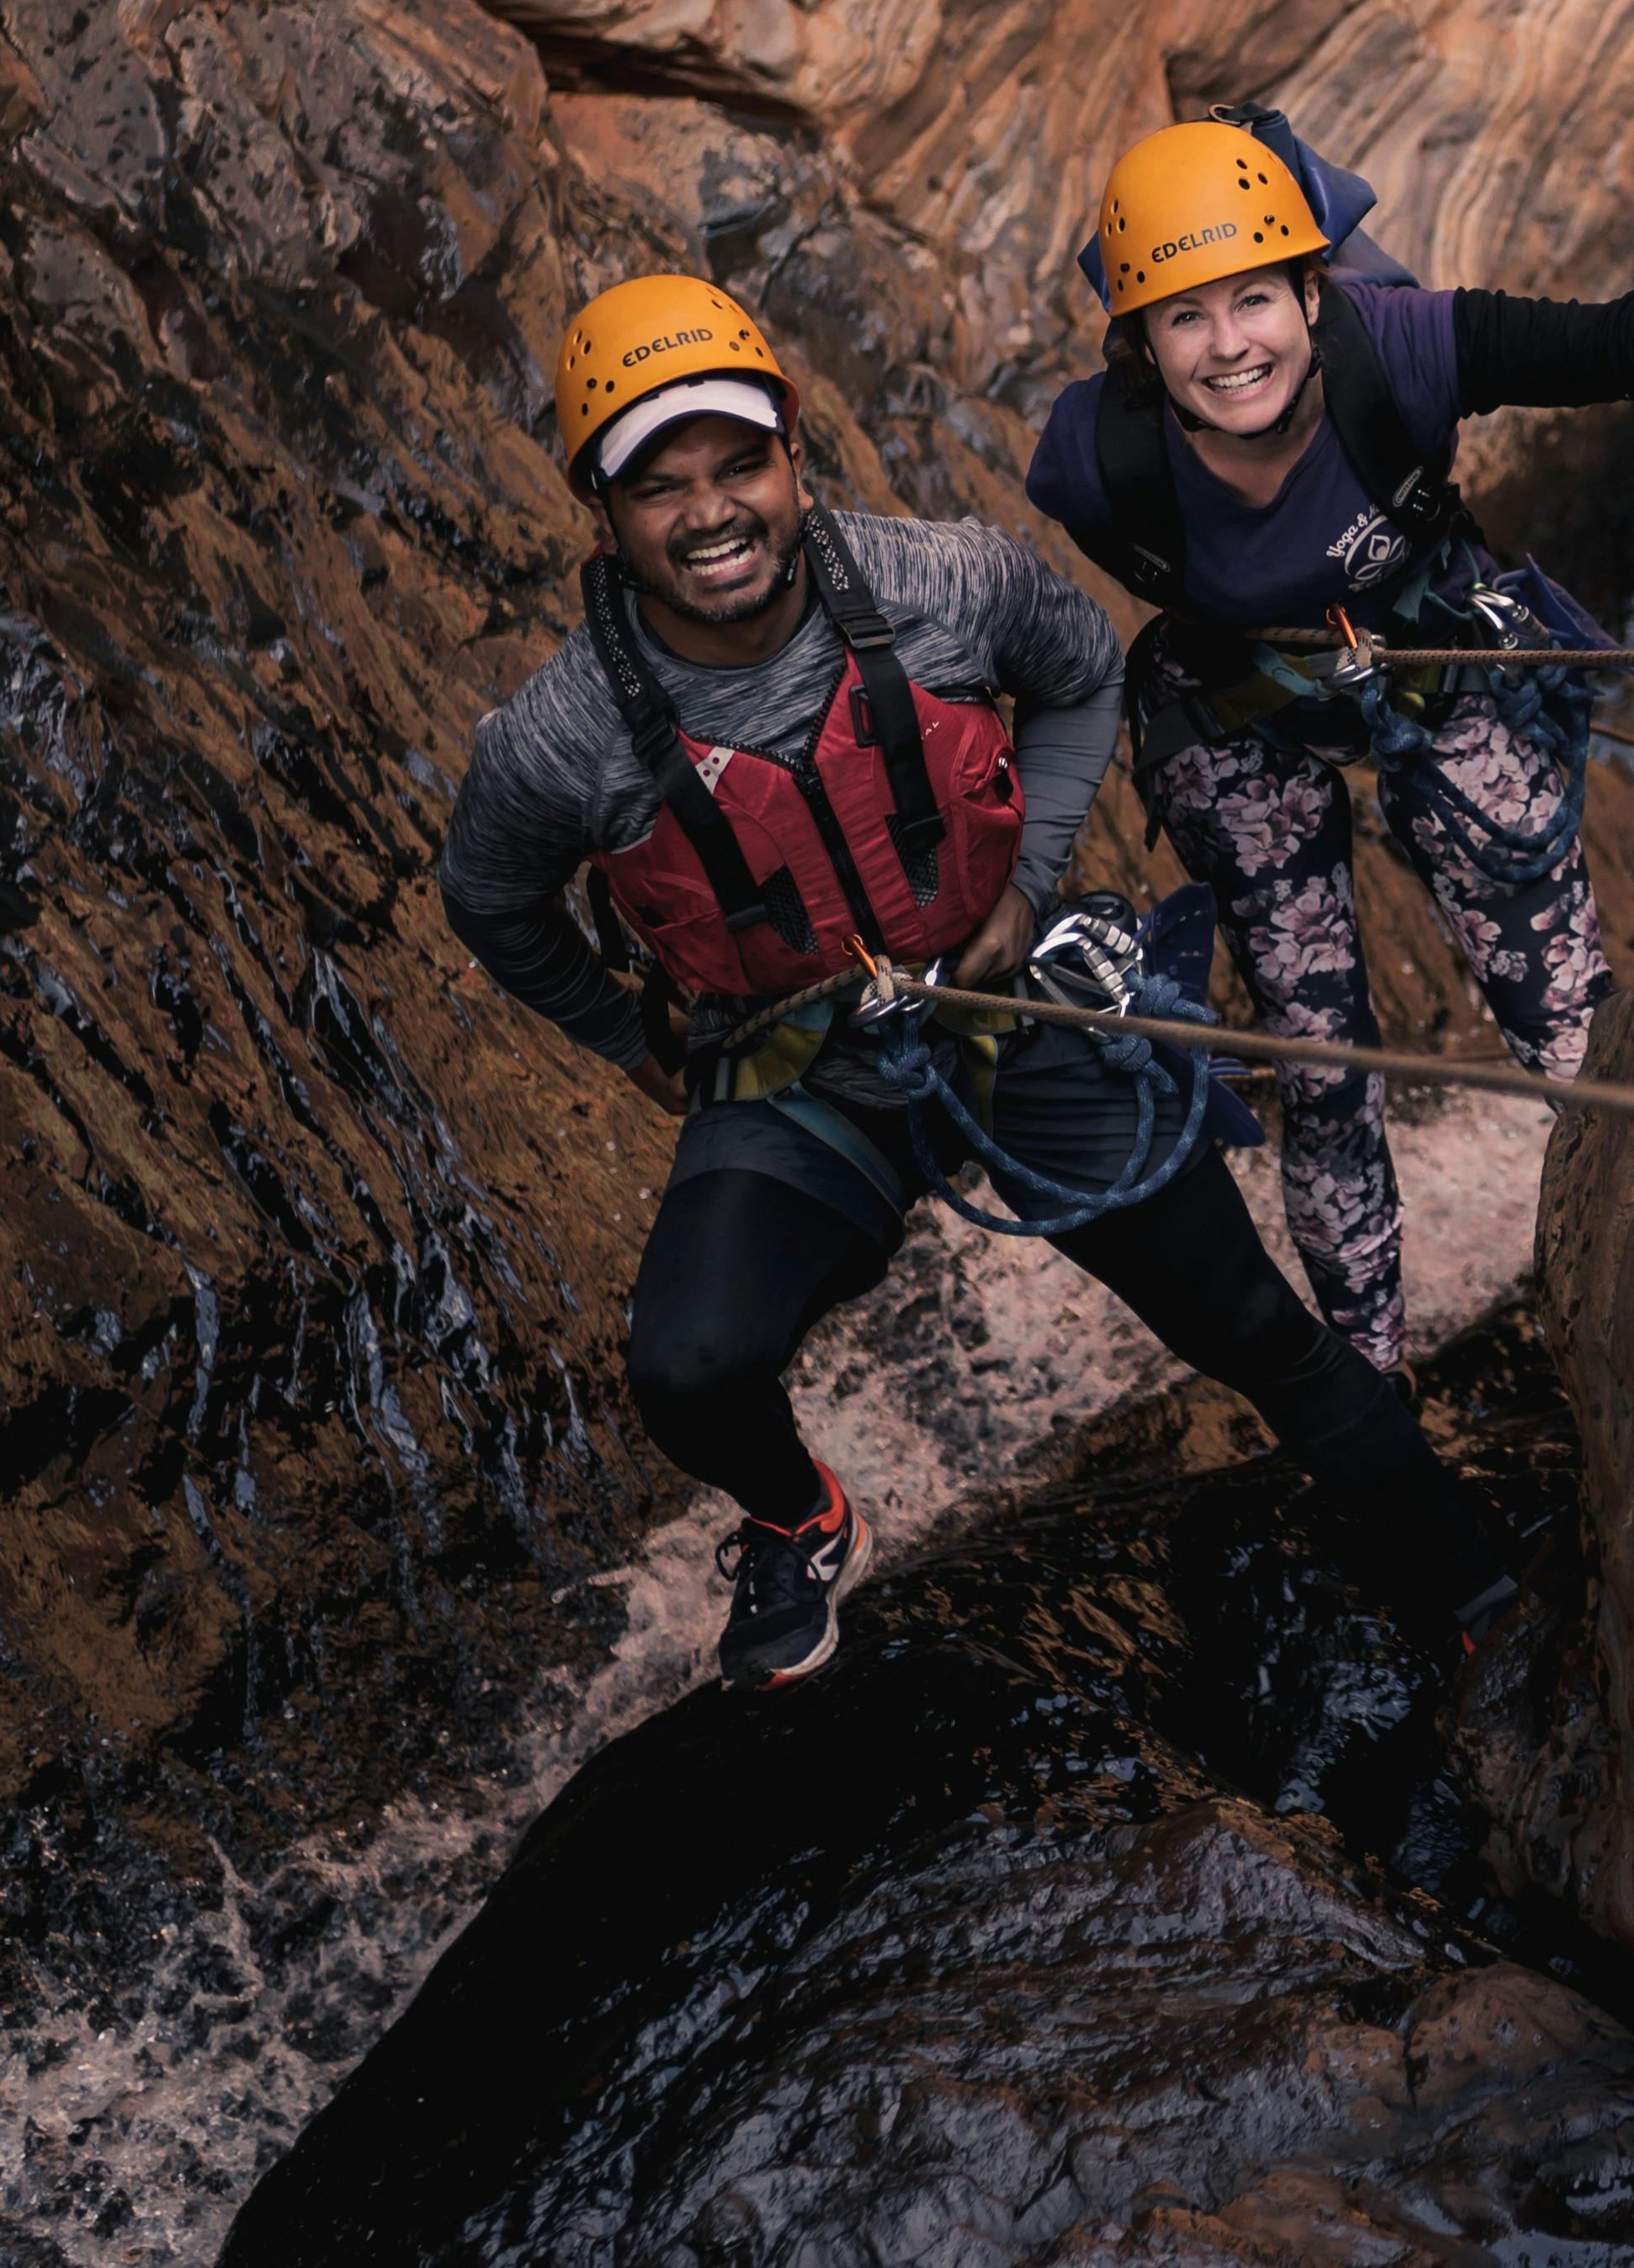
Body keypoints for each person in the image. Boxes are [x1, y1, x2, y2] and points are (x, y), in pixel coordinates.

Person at [438, 274, 1516, 1688]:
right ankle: (803, 1518)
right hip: (800, 1069)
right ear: (604, 512)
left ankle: (1468, 1578)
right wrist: (625, 1039)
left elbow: (1079, 677)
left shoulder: (940, 578)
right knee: (687, 1368)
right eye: (660, 487)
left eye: (739, 463)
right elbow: (491, 898)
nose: (710, 513)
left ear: (793, 456)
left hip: (1012, 1011)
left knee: (1253, 1326)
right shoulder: (556, 739)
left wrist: (1024, 884)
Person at [1025, 115, 1634, 1378]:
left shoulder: (1401, 350)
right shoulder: (1091, 463)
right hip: (1236, 706)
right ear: (1139, 343)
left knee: (1561, 999)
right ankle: (1368, 1374)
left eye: (1255, 300)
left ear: (1315, 290)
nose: (1229, 347)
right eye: (1184, 318)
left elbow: (1592, 348)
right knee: (1317, 1057)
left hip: (1426, 648)